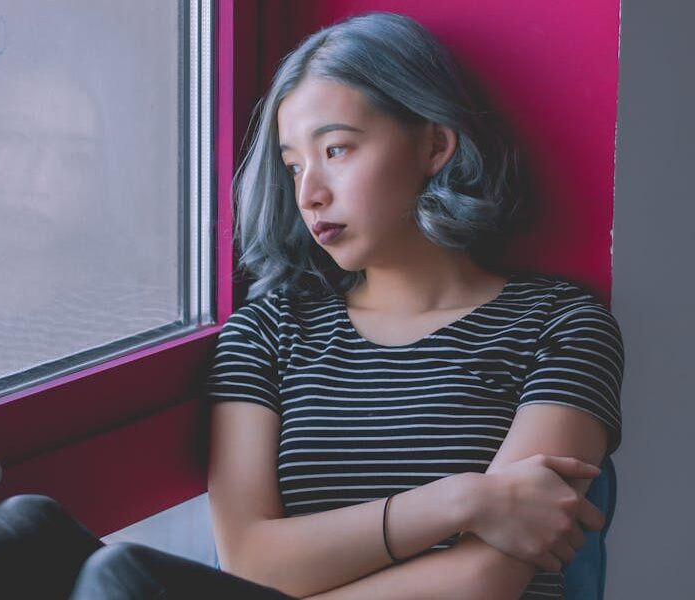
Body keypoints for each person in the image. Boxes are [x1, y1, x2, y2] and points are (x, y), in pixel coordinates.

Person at [205, 10, 623, 600]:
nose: (309, 194)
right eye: (293, 164)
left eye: (338, 150)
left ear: (434, 144)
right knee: (36, 531)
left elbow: (485, 580)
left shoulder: (562, 326)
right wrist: (461, 499)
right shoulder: (266, 333)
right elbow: (247, 561)